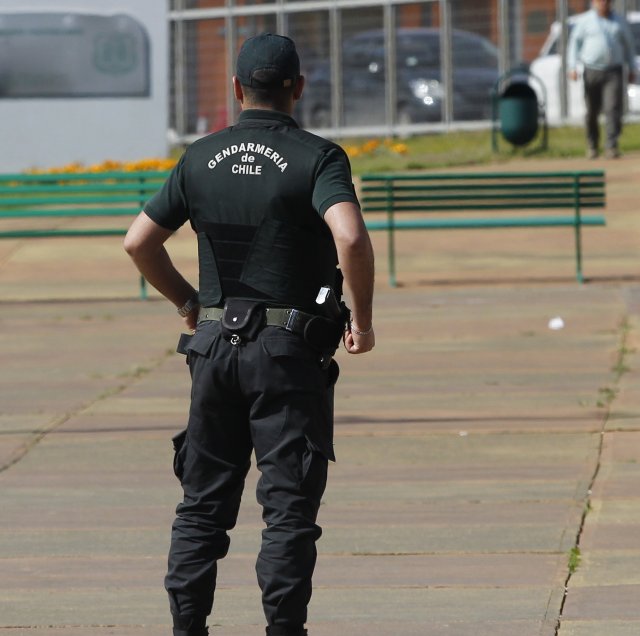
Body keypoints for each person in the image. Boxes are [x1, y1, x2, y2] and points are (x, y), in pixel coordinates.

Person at [123, 33, 375, 636]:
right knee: (287, 510)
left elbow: (138, 242)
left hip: (213, 350)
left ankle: (188, 627)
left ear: (236, 88)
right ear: (299, 88)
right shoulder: (318, 157)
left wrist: (189, 302)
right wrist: (362, 321)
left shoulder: (199, 157)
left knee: (201, 507)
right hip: (287, 355)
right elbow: (350, 236)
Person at [567, 0, 638, 159]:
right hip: (591, 70)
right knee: (592, 110)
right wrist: (572, 67)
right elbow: (574, 44)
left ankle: (611, 145)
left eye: (606, 1)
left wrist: (632, 68)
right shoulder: (585, 21)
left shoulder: (619, 21)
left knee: (612, 107)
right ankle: (592, 144)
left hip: (614, 71)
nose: (603, 3)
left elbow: (629, 46)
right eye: (600, 0)